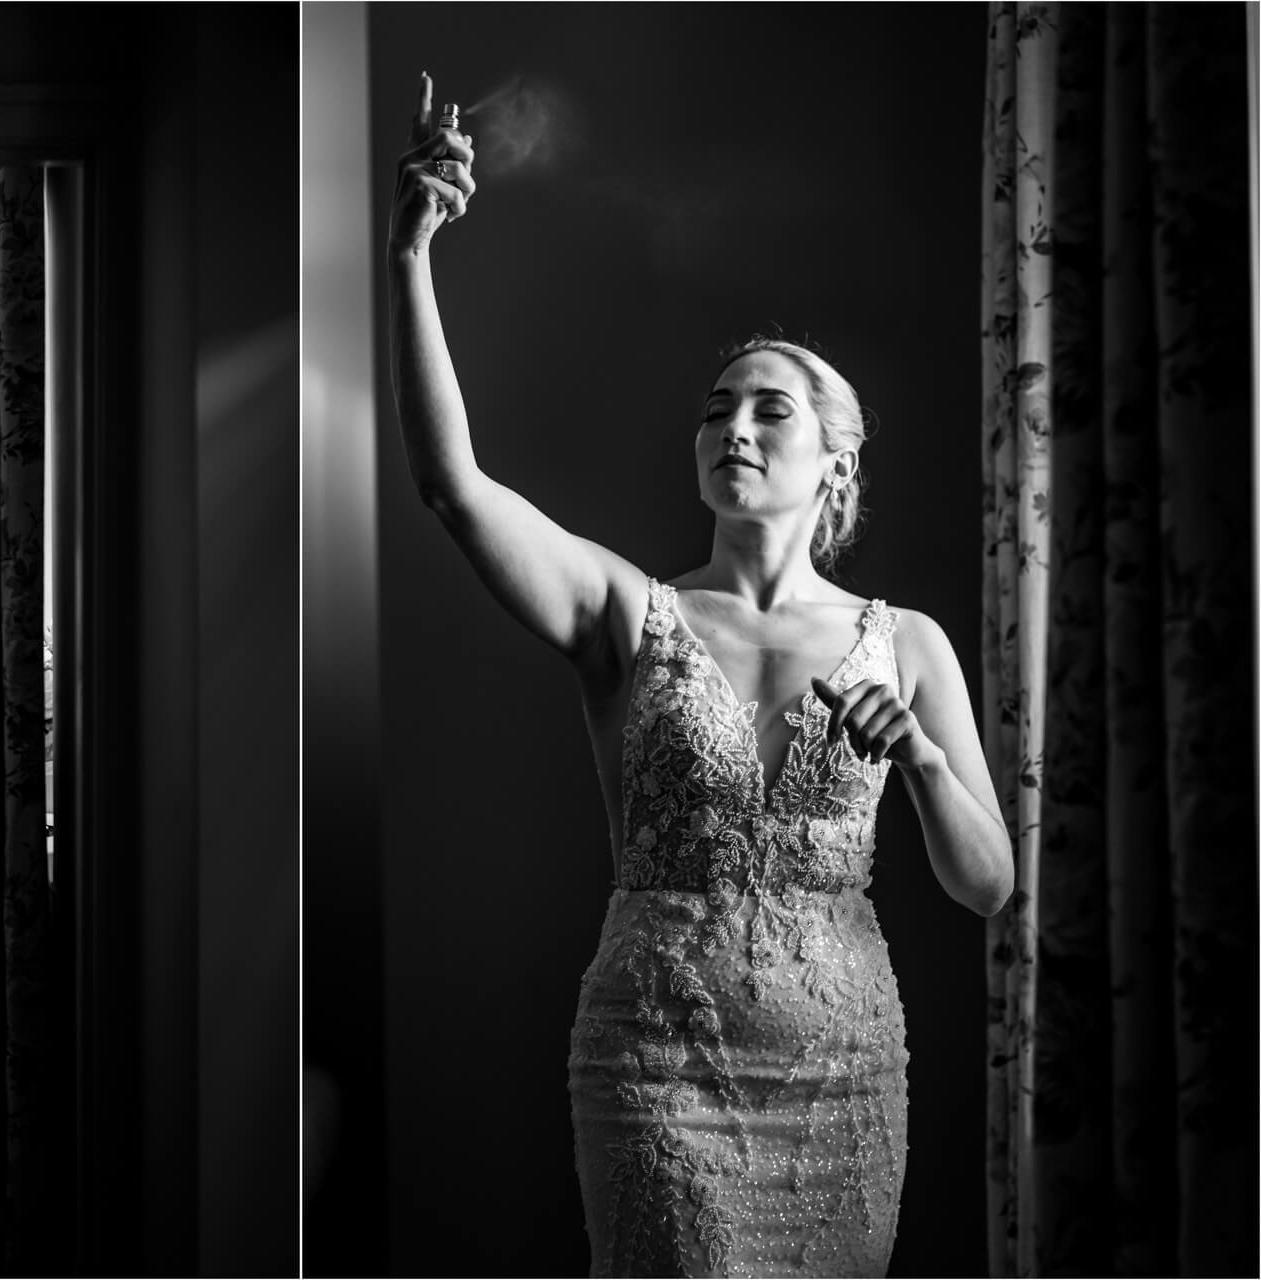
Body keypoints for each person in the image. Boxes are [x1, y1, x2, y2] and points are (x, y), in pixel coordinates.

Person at [388, 74, 1013, 1277]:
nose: (733, 425)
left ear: (834, 462)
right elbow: (452, 488)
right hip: (655, 1063)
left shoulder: (910, 641)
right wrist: (412, 253)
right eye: (715, 408)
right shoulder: (632, 611)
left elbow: (988, 886)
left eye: (769, 410)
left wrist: (925, 758)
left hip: (843, 1078)